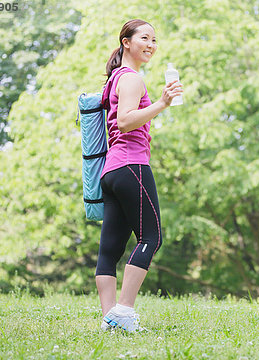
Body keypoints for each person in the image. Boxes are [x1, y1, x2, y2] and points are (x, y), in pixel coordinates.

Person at [95, 19, 182, 332]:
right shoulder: (131, 79)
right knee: (151, 237)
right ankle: (124, 312)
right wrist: (161, 103)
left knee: (110, 249)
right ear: (126, 42)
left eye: (154, 39)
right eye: (144, 37)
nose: (151, 44)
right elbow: (126, 121)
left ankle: (111, 321)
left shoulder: (115, 77)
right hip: (132, 165)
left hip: (111, 171)